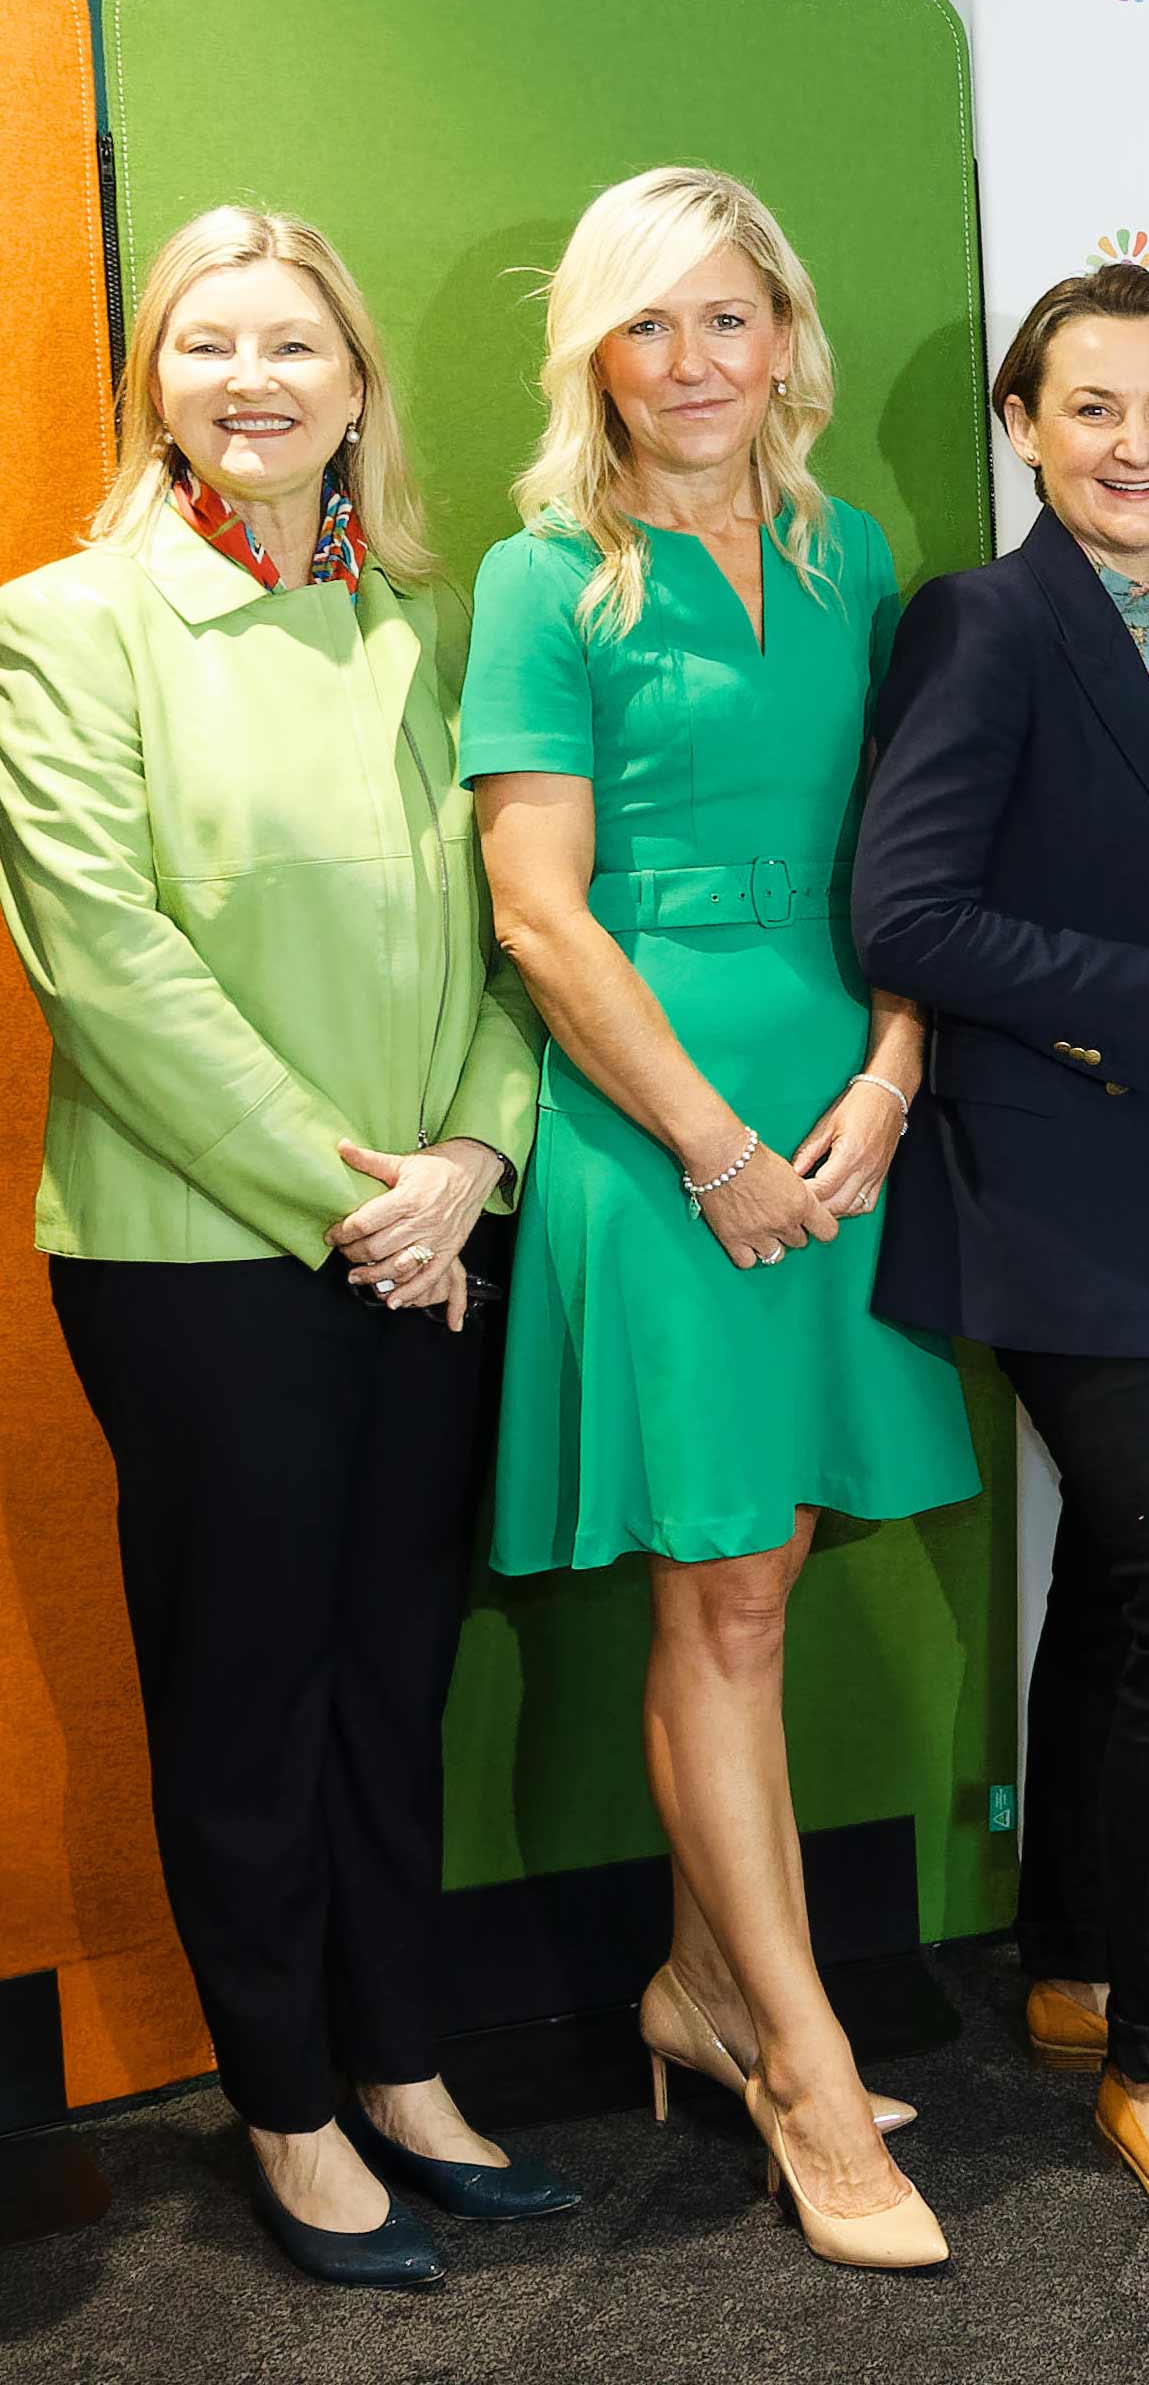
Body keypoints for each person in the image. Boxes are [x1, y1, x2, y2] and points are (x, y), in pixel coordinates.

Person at [0, 208, 573, 2290]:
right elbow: (111, 966)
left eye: (292, 345)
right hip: (196, 1254)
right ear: (155, 380)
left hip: (430, 1232)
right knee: (248, 1689)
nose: (253, 381)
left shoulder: (428, 622)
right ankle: (289, 2102)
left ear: (355, 386)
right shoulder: (62, 627)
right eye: (207, 345)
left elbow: (524, 927)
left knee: (393, 1676)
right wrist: (354, 1194)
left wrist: (463, 1167)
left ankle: (403, 2059)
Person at [466, 165, 979, 2271]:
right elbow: (536, 911)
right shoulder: (535, 576)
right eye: (647, 323)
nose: (691, 362)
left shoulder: (853, 551)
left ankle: (699, 1979)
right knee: (727, 1601)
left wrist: (887, 1071)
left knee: (763, 1566)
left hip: (833, 1099)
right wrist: (711, 1142)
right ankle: (800, 2056)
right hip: (654, 1122)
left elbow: (915, 845)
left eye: (727, 318)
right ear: (596, 349)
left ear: (786, 335)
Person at [856, 264, 1149, 2238]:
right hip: (1049, 1198)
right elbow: (911, 917)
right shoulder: (987, 617)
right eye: (1094, 405)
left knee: (1128, 1608)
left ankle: (1078, 1968)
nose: (1138, 441)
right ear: (1020, 423)